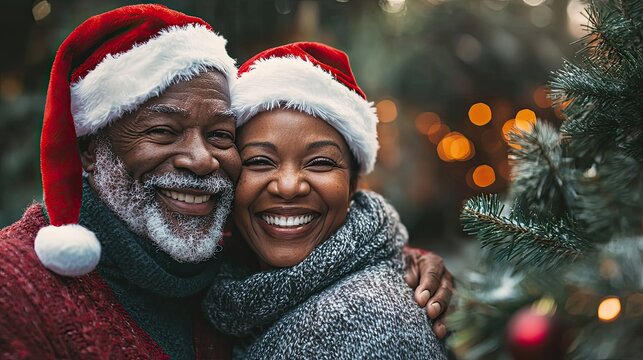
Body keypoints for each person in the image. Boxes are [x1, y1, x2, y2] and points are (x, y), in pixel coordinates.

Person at [0, 4, 452, 359]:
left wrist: (397, 263)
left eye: (219, 135)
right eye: (162, 131)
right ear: (89, 151)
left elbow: (324, 262)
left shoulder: (215, 261)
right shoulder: (17, 287)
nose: (201, 160)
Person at [203, 42, 448, 359]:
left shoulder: (370, 320)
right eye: (260, 161)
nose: (289, 186)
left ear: (352, 185)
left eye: (320, 163)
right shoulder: (212, 280)